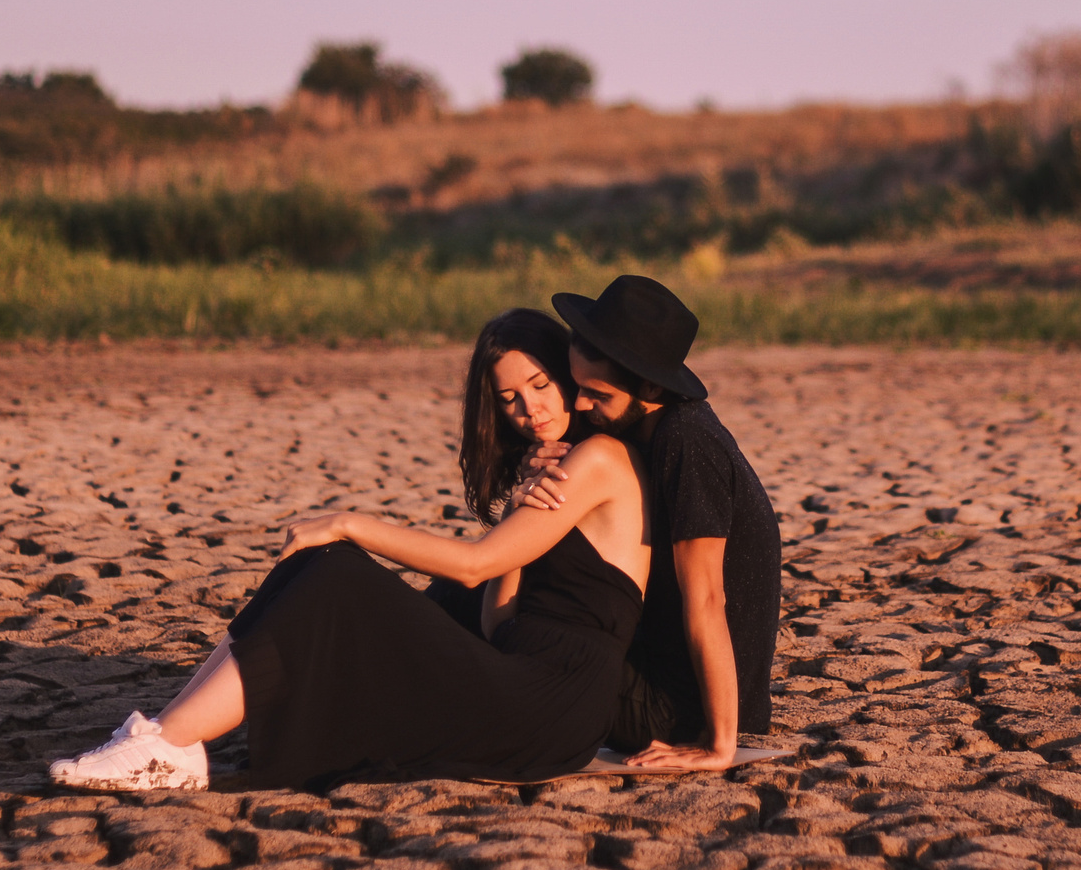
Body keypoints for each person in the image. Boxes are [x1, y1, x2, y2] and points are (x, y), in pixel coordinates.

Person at [47, 309, 649, 792]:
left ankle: (169, 747)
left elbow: (473, 563)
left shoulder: (598, 460)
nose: (528, 410)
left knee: (338, 571)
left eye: (541, 386)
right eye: (509, 398)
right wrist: (517, 510)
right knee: (314, 567)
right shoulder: (543, 472)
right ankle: (161, 738)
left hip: (555, 706)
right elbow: (497, 618)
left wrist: (348, 521)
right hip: (521, 676)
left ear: (570, 377)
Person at [533, 275, 781, 771]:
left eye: (595, 393)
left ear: (649, 386)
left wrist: (718, 745)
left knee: (517, 637)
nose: (579, 405)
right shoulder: (649, 426)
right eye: (576, 386)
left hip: (670, 709)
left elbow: (709, 596)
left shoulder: (686, 443)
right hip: (651, 667)